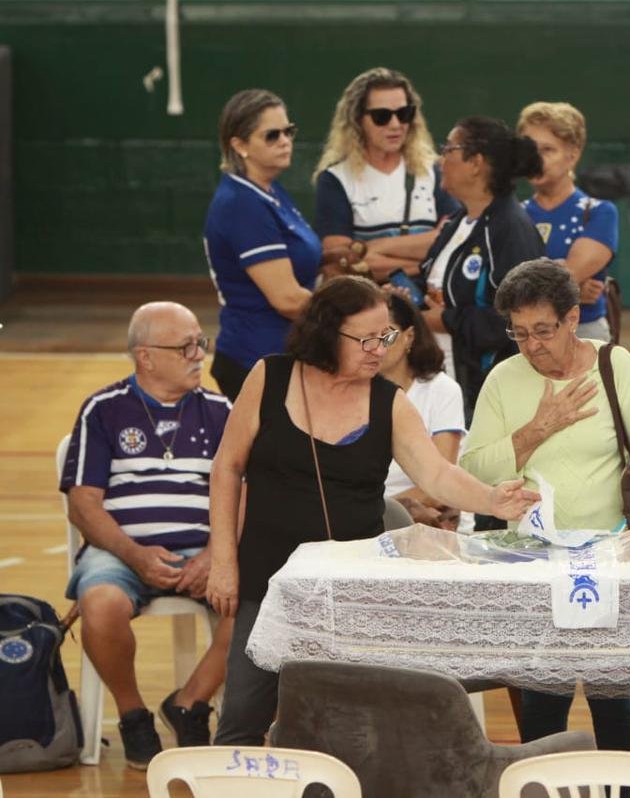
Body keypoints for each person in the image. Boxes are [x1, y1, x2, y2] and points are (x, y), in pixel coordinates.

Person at [205, 276, 538, 746]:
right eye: (364, 339)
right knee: (241, 719)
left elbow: (437, 475)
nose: (377, 350)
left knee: (352, 730)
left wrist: (491, 498)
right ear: (325, 333)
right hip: (268, 577)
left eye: (384, 338)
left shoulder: (390, 403)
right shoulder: (270, 377)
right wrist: (223, 562)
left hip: (353, 592)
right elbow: (226, 469)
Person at [460, 258, 630, 752]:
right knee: (542, 694)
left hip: (612, 558)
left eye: (543, 330)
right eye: (519, 333)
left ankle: (622, 787)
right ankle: (542, 780)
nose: (532, 345)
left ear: (573, 318)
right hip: (535, 560)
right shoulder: (504, 379)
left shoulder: (613, 365)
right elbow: (473, 468)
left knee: (611, 694)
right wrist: (539, 428)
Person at [59, 302, 235, 769]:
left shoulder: (222, 411)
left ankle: (189, 703)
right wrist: (134, 555)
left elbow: (245, 495)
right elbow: (83, 504)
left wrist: (216, 555)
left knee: (255, 600)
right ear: (146, 356)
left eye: (202, 342)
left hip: (204, 549)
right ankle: (133, 714)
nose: (199, 354)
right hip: (121, 551)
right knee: (100, 603)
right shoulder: (104, 409)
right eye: (186, 346)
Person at [417, 116, 545, 413]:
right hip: (445, 380)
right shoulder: (457, 223)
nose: (440, 160)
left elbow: (519, 319)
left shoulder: (511, 228)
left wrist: (446, 319)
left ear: (476, 163)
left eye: (448, 149)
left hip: (486, 394)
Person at [204, 89, 320, 401]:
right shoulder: (243, 204)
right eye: (271, 135)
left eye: (288, 131)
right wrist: (353, 317)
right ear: (239, 145)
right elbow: (287, 299)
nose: (285, 141)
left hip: (282, 354)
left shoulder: (269, 190)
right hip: (256, 359)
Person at [312, 67, 459, 283]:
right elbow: (343, 263)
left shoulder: (434, 171)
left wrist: (373, 248)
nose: (396, 125)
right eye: (382, 116)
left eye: (404, 114)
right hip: (370, 307)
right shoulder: (336, 180)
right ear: (357, 119)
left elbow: (454, 241)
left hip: (428, 306)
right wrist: (425, 261)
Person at [517, 101, 616, 341]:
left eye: (547, 150)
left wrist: (554, 282)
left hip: (582, 336)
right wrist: (573, 292)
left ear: (572, 155)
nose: (536, 158)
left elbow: (562, 278)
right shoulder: (515, 215)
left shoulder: (599, 212)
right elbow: (501, 286)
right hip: (524, 338)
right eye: (530, 148)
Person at [380, 293, 466, 529]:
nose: (376, 345)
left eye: (385, 335)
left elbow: (439, 487)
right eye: (366, 336)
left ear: (409, 337)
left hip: (425, 521)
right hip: (372, 518)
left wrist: (373, 510)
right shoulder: (352, 392)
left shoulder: (441, 390)